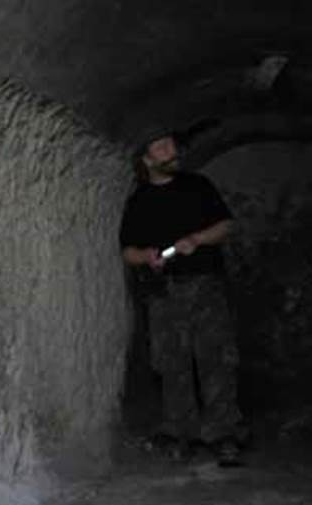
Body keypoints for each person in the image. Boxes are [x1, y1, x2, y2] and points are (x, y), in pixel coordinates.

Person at [120, 131, 245, 463]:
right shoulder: (139, 201)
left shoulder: (198, 186)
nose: (171, 151)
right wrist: (146, 256)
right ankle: (179, 431)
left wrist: (197, 239)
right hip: (163, 291)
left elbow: (226, 226)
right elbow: (127, 251)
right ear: (146, 160)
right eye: (161, 147)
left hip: (204, 285)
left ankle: (223, 433)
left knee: (215, 357)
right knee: (170, 361)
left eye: (171, 145)